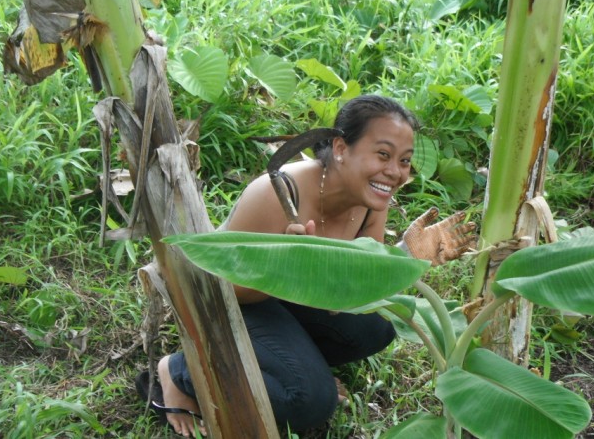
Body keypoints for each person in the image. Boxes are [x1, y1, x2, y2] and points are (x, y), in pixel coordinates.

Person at [150, 94, 477, 437]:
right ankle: (178, 370)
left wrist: (407, 254)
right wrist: (287, 267)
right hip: (234, 303)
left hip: (287, 298)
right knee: (309, 401)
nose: (395, 172)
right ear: (340, 148)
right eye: (383, 154)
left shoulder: (371, 201)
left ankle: (297, 363)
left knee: (377, 326)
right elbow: (223, 291)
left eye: (405, 160)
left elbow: (362, 283)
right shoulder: (279, 192)